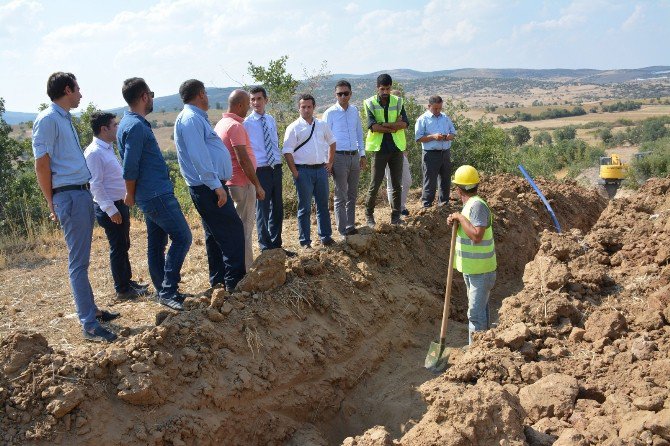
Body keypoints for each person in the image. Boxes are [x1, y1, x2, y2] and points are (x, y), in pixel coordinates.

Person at [32, 72, 118, 342]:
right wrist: (51, 200)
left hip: (78, 194)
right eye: (78, 89)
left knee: (82, 260)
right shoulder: (47, 119)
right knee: (78, 264)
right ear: (67, 89)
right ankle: (90, 325)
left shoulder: (63, 118)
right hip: (68, 196)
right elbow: (41, 163)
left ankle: (91, 310)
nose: (81, 94)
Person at [118, 77, 192, 311]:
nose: (152, 97)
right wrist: (129, 193)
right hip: (156, 194)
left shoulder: (128, 123)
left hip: (152, 193)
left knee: (156, 243)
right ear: (143, 97)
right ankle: (168, 290)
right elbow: (130, 166)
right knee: (183, 237)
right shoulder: (137, 126)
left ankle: (163, 289)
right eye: (150, 93)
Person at [174, 79, 246, 292]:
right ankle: (235, 283)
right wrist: (216, 186)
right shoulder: (190, 119)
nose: (207, 97)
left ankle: (219, 282)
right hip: (208, 187)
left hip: (209, 185)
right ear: (201, 94)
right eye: (205, 93)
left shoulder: (195, 118)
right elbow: (199, 156)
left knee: (215, 235)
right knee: (233, 231)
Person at [84, 111, 148, 301]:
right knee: (118, 247)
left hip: (119, 204)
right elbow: (95, 185)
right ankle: (122, 289)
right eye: (114, 125)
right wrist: (111, 210)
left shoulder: (106, 148)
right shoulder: (94, 152)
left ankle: (127, 282)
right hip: (111, 207)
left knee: (123, 244)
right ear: (104, 129)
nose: (117, 128)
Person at [214, 89, 265, 270]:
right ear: (240, 105)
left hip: (231, 183)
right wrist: (257, 185)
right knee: (244, 229)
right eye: (247, 104)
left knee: (236, 228)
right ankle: (245, 269)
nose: (249, 108)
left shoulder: (221, 123)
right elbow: (242, 158)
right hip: (241, 184)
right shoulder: (235, 126)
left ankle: (236, 267)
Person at [447, 165, 497, 345]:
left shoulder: (476, 206)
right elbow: (469, 229)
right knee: (480, 311)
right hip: (473, 269)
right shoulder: (470, 206)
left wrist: (460, 218)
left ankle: (476, 352)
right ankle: (484, 347)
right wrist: (457, 221)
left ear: (459, 189)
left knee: (475, 315)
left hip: (481, 271)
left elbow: (477, 235)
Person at [282, 93, 336, 249]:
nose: (306, 110)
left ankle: (325, 237)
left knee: (323, 205)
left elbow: (332, 142)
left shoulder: (322, 125)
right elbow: (287, 152)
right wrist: (295, 173)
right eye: (303, 107)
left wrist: (330, 163)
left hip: (321, 170)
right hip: (303, 172)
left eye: (309, 107)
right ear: (299, 108)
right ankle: (305, 242)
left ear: (314, 107)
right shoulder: (293, 128)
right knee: (304, 208)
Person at [244, 86, 291, 254]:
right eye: (252, 99)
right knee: (262, 210)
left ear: (266, 100)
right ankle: (265, 247)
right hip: (260, 170)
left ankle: (276, 245)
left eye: (259, 98)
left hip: (275, 168)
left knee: (278, 208)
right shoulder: (247, 124)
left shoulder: (270, 119)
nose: (256, 102)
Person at [364, 74, 409, 227]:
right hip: (379, 149)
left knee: (397, 184)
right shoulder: (369, 103)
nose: (385, 92)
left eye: (387, 89)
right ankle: (369, 216)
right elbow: (373, 127)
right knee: (375, 184)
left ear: (391, 88)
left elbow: (405, 124)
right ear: (377, 88)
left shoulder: (398, 101)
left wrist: (384, 125)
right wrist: (392, 126)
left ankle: (396, 217)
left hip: (396, 148)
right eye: (382, 89)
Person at [323, 79, 365, 238]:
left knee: (352, 194)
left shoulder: (355, 111)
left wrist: (362, 154)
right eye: (339, 94)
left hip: (354, 156)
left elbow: (359, 133)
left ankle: (350, 225)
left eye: (345, 93)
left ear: (350, 94)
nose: (342, 96)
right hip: (338, 157)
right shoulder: (329, 113)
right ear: (335, 94)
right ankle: (342, 231)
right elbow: (325, 138)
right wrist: (329, 160)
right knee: (341, 195)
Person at [415, 95, 456, 208]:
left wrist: (449, 136)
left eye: (440, 108)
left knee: (445, 179)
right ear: (429, 106)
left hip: (445, 152)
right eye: (435, 108)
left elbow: (453, 133)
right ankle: (427, 206)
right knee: (430, 181)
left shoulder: (445, 117)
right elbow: (418, 138)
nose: (438, 111)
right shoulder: (422, 119)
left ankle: (444, 204)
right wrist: (433, 137)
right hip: (430, 154)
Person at [385, 89, 412, 216]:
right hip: (386, 151)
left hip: (400, 151)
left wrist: (404, 148)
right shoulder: (385, 112)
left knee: (407, 181)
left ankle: (400, 206)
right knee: (391, 183)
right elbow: (387, 128)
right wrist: (397, 124)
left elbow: (403, 128)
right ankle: (396, 210)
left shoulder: (401, 111)